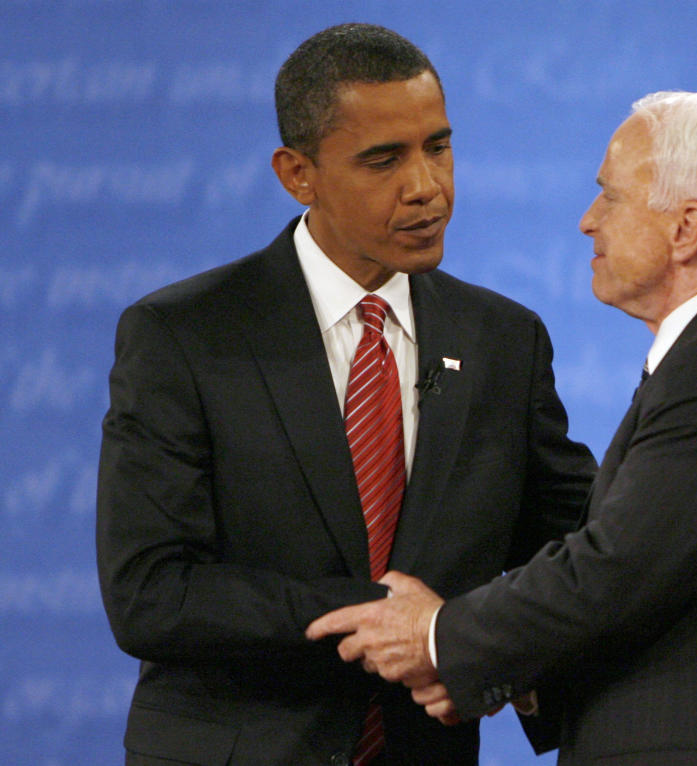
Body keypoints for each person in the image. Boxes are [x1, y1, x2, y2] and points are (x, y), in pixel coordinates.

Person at [308, 91, 697, 765]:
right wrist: (509, 670)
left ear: (686, 228)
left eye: (610, 197)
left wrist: (438, 635)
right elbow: (656, 578)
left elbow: (613, 569)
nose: (588, 221)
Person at [95, 24, 596, 766]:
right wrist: (383, 620)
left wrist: (484, 660)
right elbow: (151, 593)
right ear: (298, 174)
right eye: (383, 160)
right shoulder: (185, 335)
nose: (426, 186)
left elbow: (573, 552)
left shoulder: (503, 341)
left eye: (438, 146)